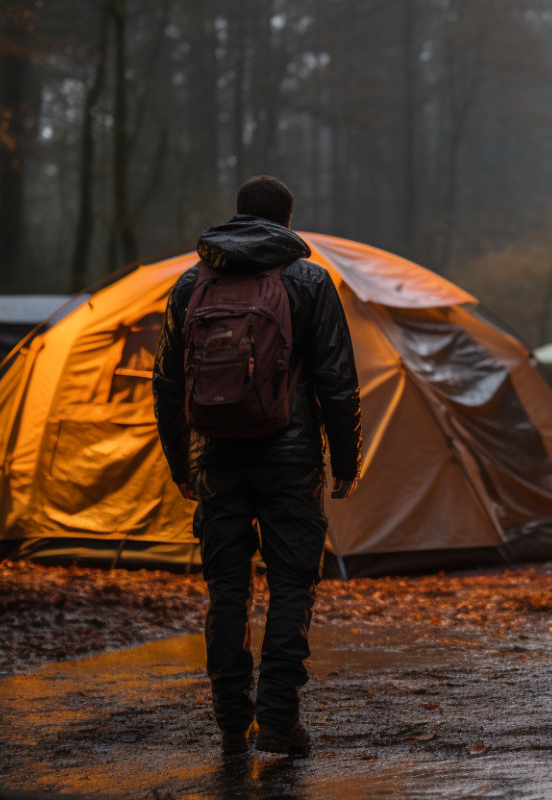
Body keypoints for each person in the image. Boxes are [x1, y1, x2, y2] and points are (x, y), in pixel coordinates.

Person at [153, 175, 362, 757]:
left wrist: (181, 464)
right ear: (287, 223)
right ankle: (276, 718)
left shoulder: (193, 282)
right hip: (289, 457)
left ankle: (229, 723)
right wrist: (345, 460)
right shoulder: (308, 279)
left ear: (238, 215)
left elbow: (168, 383)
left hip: (217, 454)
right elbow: (337, 382)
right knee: (291, 581)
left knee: (226, 588)